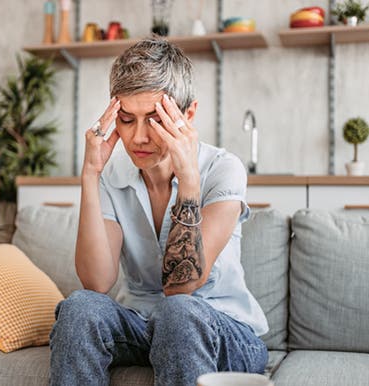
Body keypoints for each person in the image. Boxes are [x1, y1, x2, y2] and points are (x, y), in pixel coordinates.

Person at [49, 37, 268, 386]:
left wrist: (189, 180)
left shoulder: (223, 169)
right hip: (142, 323)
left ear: (188, 115)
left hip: (225, 330)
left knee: (177, 312)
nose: (138, 138)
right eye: (126, 119)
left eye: (154, 119)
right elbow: (97, 282)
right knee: (80, 307)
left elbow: (182, 287)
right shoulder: (113, 176)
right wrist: (90, 174)